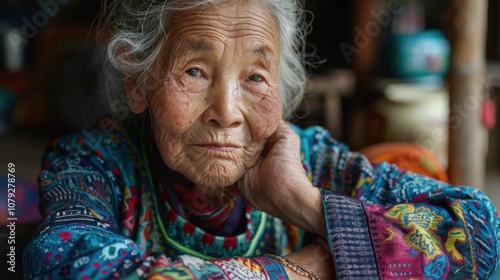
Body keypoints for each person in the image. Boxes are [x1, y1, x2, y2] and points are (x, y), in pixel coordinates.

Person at [23, 0, 499, 279]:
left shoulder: (312, 161)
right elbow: (57, 260)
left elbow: (481, 234)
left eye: (254, 77)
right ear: (138, 85)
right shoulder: (92, 164)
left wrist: (304, 202)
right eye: (194, 71)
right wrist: (300, 270)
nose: (227, 113)